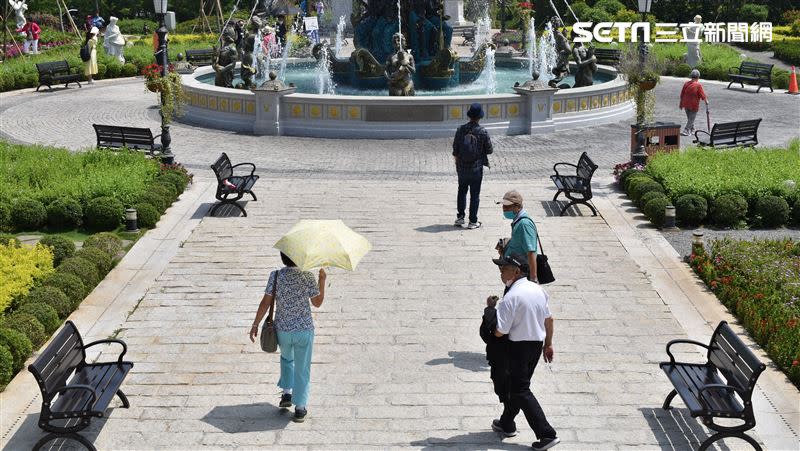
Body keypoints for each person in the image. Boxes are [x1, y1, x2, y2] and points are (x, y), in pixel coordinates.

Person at [249, 252, 327, 423]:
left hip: (283, 330)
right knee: (302, 368)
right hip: (304, 330)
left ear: (283, 258)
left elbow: (265, 302)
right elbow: (317, 303)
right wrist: (322, 280)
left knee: (286, 359)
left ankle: (286, 393)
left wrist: (255, 324)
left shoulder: (275, 276)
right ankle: (300, 408)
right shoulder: (307, 276)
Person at [491, 254, 559, 451]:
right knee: (517, 387)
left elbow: (500, 331)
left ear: (517, 271)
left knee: (520, 389)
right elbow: (549, 320)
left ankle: (546, 434)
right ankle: (506, 422)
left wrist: (489, 314)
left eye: (504, 268)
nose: (501, 272)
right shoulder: (538, 290)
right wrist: (549, 344)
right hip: (536, 346)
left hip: (517, 348)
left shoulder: (510, 298)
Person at [452, 103, 493, 229]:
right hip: (476, 168)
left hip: (462, 167)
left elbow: (455, 149)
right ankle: (473, 221)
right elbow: (489, 150)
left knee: (462, 191)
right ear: (480, 117)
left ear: (469, 115)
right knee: (475, 194)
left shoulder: (460, 129)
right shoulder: (482, 132)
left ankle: (460, 218)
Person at [496, 190, 538, 282]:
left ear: (517, 207)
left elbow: (531, 252)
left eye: (507, 207)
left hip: (521, 273)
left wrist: (533, 279)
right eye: (503, 206)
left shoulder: (524, 224)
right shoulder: (517, 221)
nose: (504, 209)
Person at [480, 295, 509, 407]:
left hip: (501, 354)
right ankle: (507, 419)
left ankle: (508, 415)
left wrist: (490, 309)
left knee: (505, 388)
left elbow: (488, 331)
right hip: (529, 349)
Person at [679, 69, 708, 136]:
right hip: (694, 105)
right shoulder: (698, 85)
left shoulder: (686, 84)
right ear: (698, 77)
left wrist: (681, 103)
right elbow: (702, 94)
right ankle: (686, 130)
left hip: (686, 104)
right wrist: (706, 101)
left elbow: (682, 94)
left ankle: (692, 129)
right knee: (691, 119)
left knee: (690, 118)